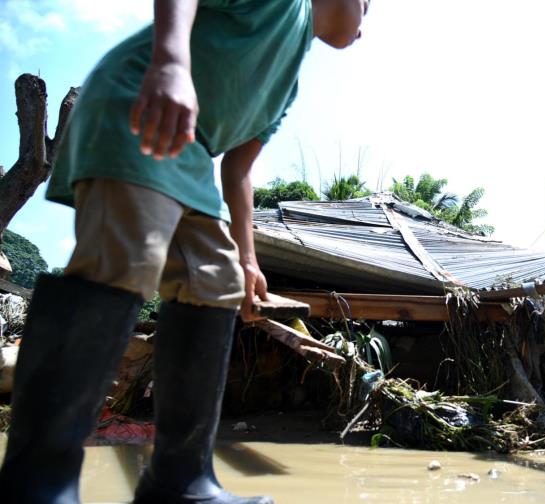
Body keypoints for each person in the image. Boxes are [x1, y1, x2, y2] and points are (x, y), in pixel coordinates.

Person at [0, 1, 369, 502]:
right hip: (140, 103)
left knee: (215, 282)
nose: (365, 25)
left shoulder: (288, 82)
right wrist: (171, 63)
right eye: (367, 6)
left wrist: (248, 257)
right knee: (126, 259)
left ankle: (181, 481)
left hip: (193, 154)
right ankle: (37, 482)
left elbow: (238, 171)